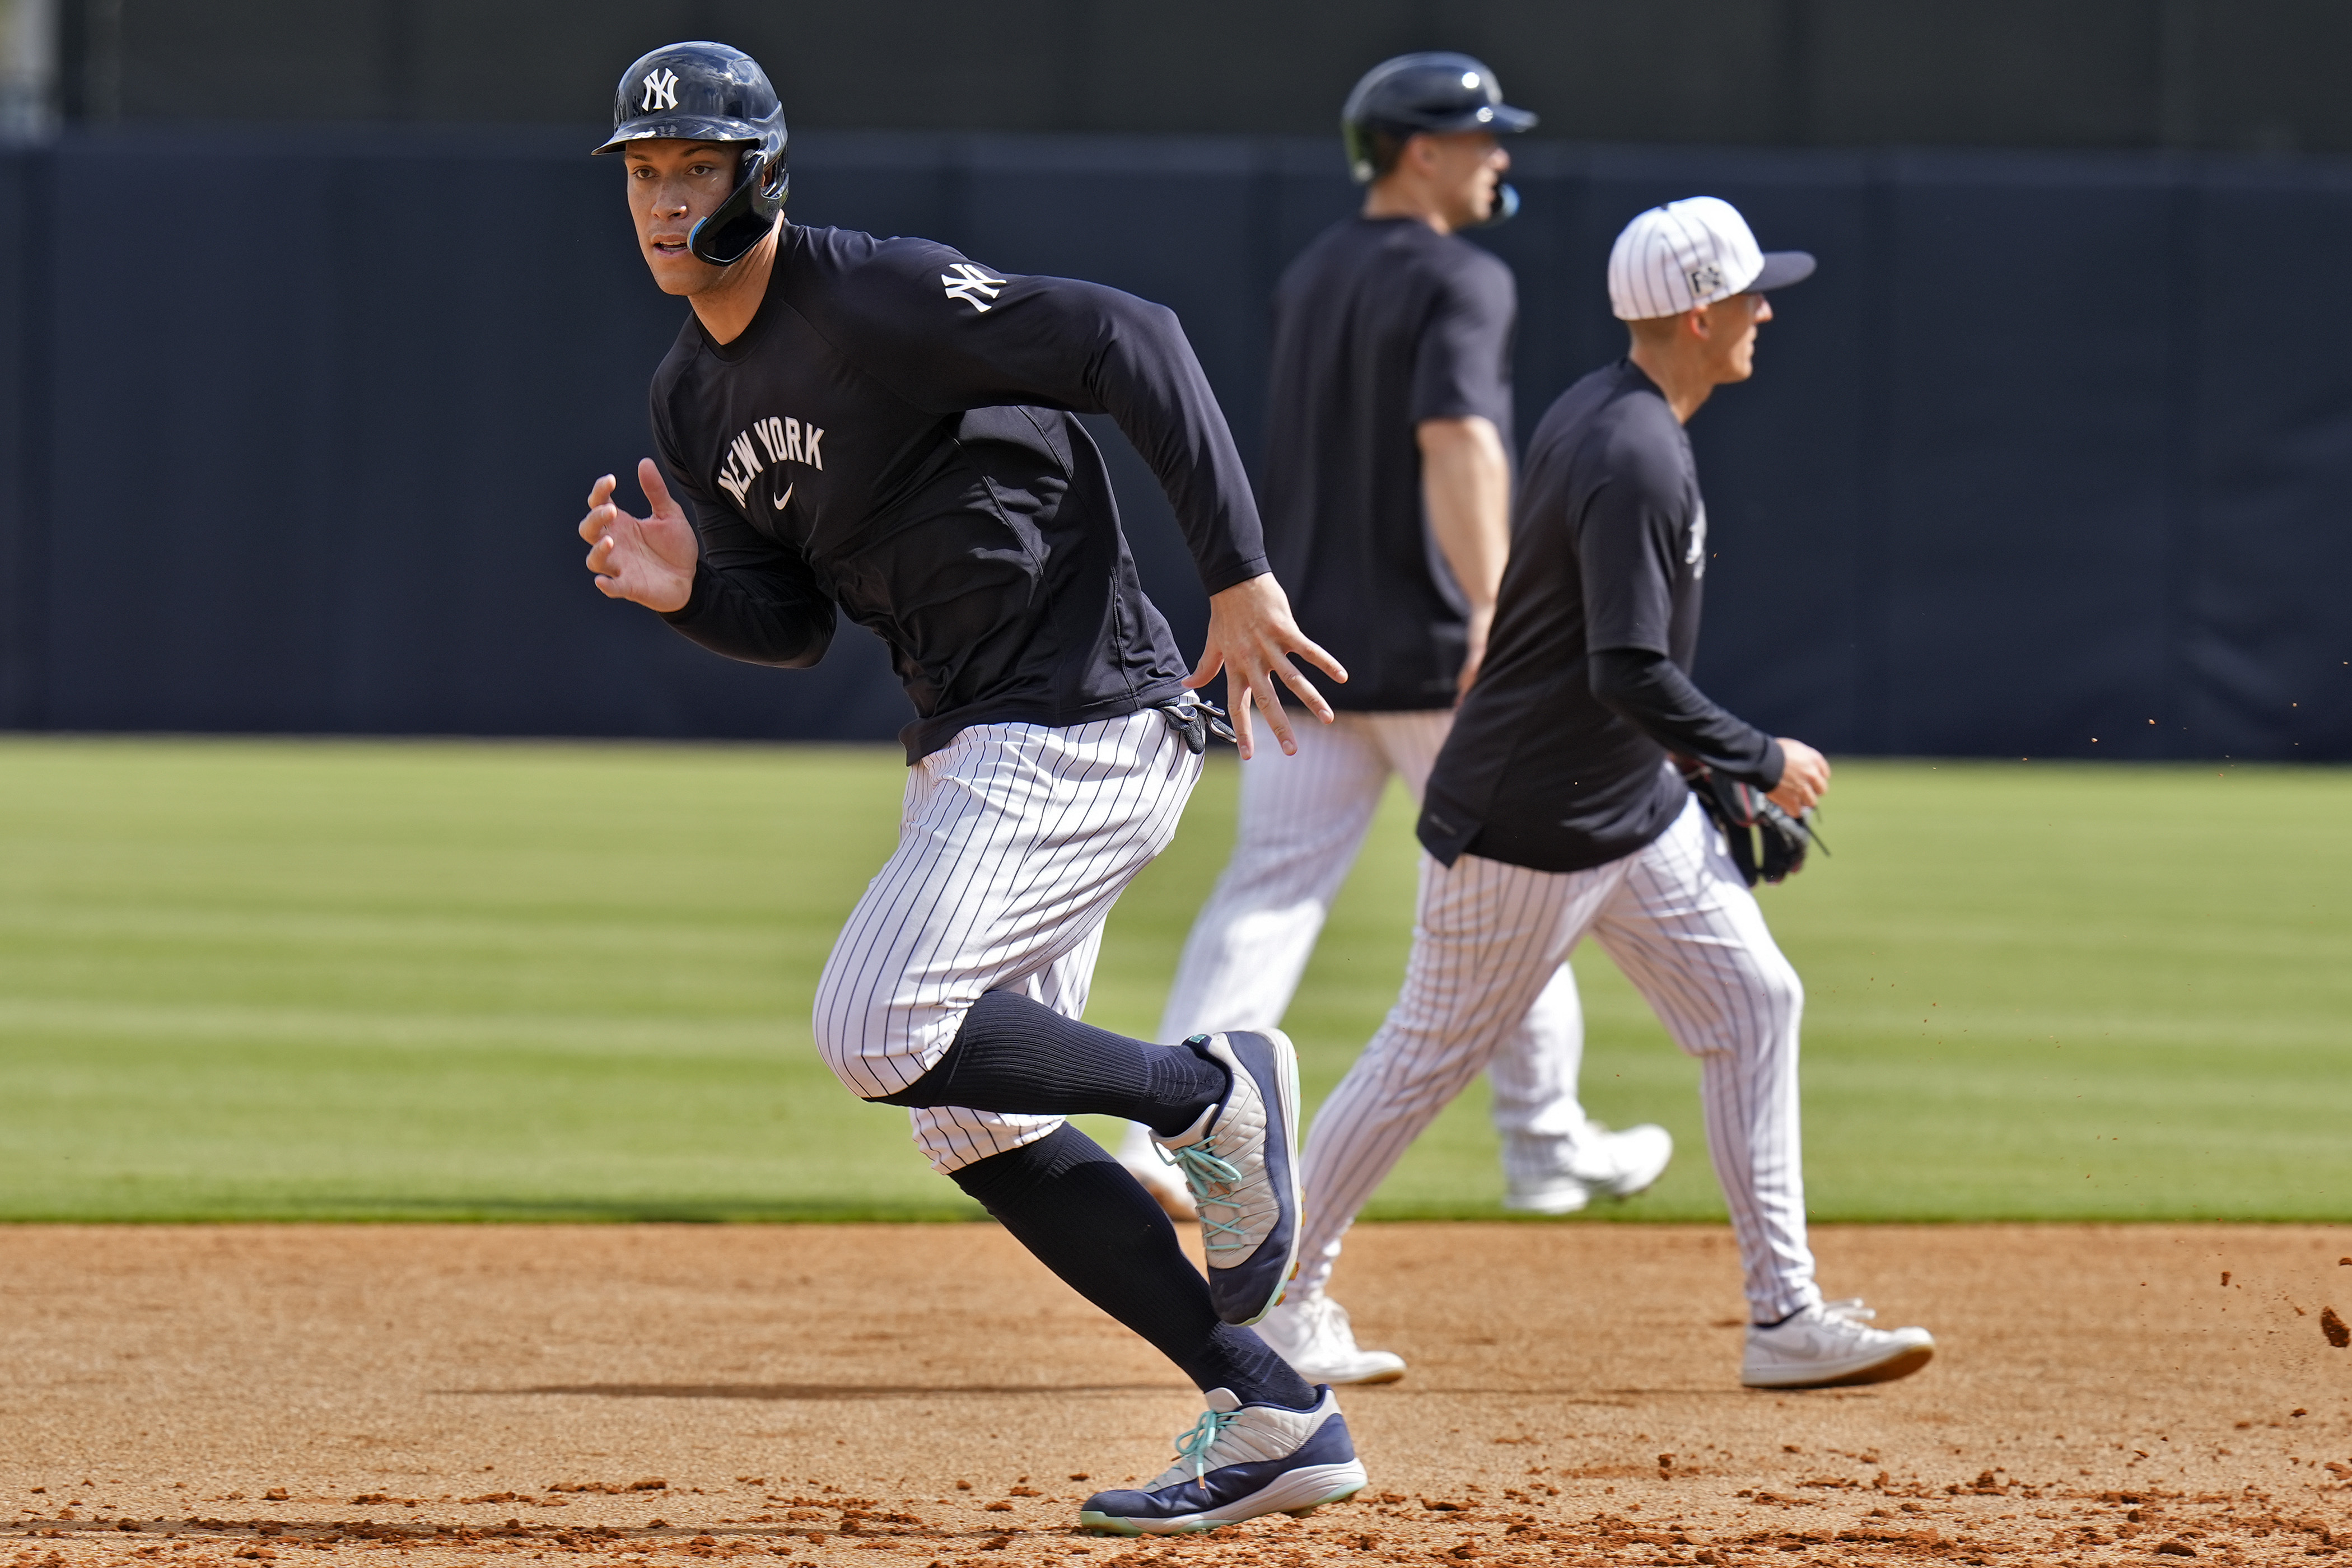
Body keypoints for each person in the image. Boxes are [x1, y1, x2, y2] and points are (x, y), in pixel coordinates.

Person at [573, 41, 1371, 1531]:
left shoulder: (868, 295)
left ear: (761, 172)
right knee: (971, 1115)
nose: (667, 203)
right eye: (642, 175)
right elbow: (795, 624)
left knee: (872, 1022)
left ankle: (1212, 1092)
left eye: (696, 168)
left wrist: (1240, 576)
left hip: (1079, 721)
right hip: (970, 747)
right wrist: (685, 592)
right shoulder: (693, 396)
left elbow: (1133, 336)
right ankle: (1272, 1407)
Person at [1275, 197, 1938, 1390]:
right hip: (1530, 821)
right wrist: (1751, 752)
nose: (1766, 311)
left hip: (1624, 805)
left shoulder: (1617, 412)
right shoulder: (1631, 448)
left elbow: (1598, 652)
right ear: (1698, 313)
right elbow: (1623, 666)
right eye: (1749, 294)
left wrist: (1684, 760)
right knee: (1423, 1056)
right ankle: (1280, 1298)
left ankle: (1783, 1313)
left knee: (1754, 1002)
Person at [1114, 55, 1674, 1387]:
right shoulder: (1459, 276)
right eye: (1482, 136)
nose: (1500, 157)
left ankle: (1169, 1132)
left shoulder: (1316, 270)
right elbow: (1459, 442)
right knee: (1525, 869)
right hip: (1430, 644)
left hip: (1311, 640)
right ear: (1417, 149)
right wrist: (1496, 613)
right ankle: (1543, 1139)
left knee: (1270, 887)